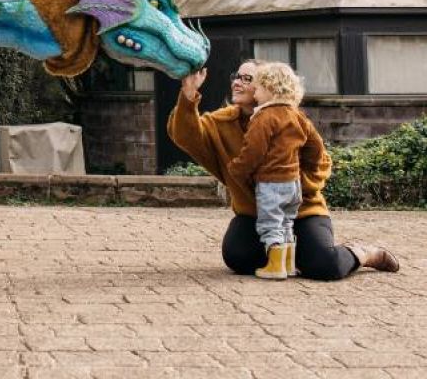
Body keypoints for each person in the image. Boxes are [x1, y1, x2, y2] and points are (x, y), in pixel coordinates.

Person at [170, 60, 400, 280]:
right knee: (237, 256)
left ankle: (365, 253)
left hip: (302, 210)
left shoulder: (291, 118)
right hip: (255, 213)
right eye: (236, 76)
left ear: (267, 86)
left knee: (324, 265)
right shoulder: (222, 122)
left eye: (247, 78)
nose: (237, 82)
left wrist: (292, 186)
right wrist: (188, 97)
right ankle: (287, 257)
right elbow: (185, 135)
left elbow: (321, 163)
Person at [225, 62, 319, 279]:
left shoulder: (264, 117)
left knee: (270, 224)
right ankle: (288, 265)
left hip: (271, 183)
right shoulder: (296, 116)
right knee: (286, 223)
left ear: (270, 89)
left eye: (257, 88)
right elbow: (315, 148)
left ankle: (275, 267)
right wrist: (306, 169)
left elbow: (253, 152)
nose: (255, 94)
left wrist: (236, 170)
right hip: (293, 183)